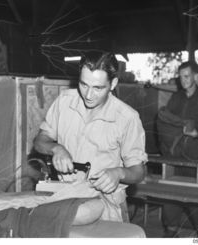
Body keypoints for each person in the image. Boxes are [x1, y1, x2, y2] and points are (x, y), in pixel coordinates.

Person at [33, 52, 147, 222]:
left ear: (113, 83)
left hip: (105, 204)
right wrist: (56, 148)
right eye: (84, 84)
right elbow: (40, 141)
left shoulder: (127, 118)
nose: (88, 95)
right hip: (65, 196)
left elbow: (138, 172)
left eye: (98, 88)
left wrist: (118, 173)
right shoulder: (65, 102)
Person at [159, 61, 198, 237]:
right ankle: (171, 233)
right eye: (180, 76)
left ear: (196, 76)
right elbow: (166, 122)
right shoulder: (176, 98)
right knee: (170, 198)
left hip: (196, 157)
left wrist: (197, 133)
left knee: (197, 201)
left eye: (187, 76)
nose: (182, 80)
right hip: (174, 154)